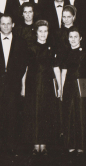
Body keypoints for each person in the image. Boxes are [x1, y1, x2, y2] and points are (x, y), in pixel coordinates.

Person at [0, 14, 29, 155]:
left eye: (8, 23)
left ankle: (11, 146)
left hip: (13, 84)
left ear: (13, 24)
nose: (6, 26)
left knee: (12, 115)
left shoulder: (21, 42)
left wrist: (14, 78)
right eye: (3, 24)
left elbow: (23, 64)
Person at [24, 20, 61, 155]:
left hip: (47, 85)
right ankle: (35, 144)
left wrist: (59, 86)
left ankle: (43, 144)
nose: (43, 34)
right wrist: (23, 86)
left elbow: (56, 68)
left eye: (45, 31)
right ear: (36, 32)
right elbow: (26, 69)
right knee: (34, 112)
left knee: (46, 112)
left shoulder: (52, 48)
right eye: (40, 31)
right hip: (33, 84)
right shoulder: (31, 48)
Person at [61, 26, 86, 155]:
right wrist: (61, 88)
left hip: (83, 84)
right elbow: (63, 73)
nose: (73, 39)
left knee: (82, 114)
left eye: (76, 37)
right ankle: (70, 144)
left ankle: (81, 145)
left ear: (80, 38)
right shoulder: (66, 53)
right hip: (69, 86)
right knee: (69, 114)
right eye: (71, 37)